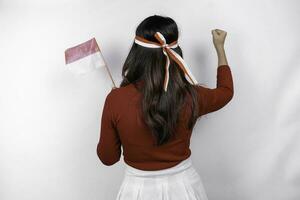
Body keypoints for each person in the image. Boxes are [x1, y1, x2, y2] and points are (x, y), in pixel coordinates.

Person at [97, 15, 234, 200]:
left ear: (137, 53)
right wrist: (220, 48)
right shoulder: (192, 95)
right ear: (175, 53)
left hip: (137, 191)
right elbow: (226, 92)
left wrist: (115, 106)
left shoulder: (116, 100)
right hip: (185, 188)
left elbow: (108, 158)